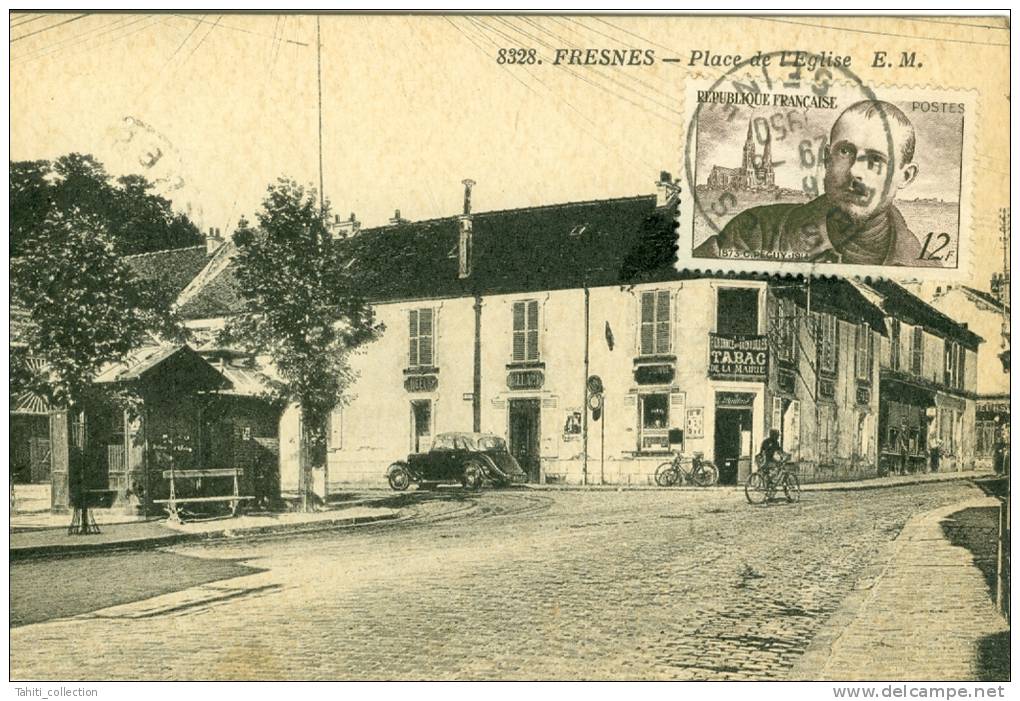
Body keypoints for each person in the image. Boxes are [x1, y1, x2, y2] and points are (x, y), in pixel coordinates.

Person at [694, 100, 941, 268]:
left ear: (906, 176)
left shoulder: (926, 265)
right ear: (826, 158)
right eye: (845, 151)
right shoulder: (754, 232)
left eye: (876, 159)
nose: (855, 171)